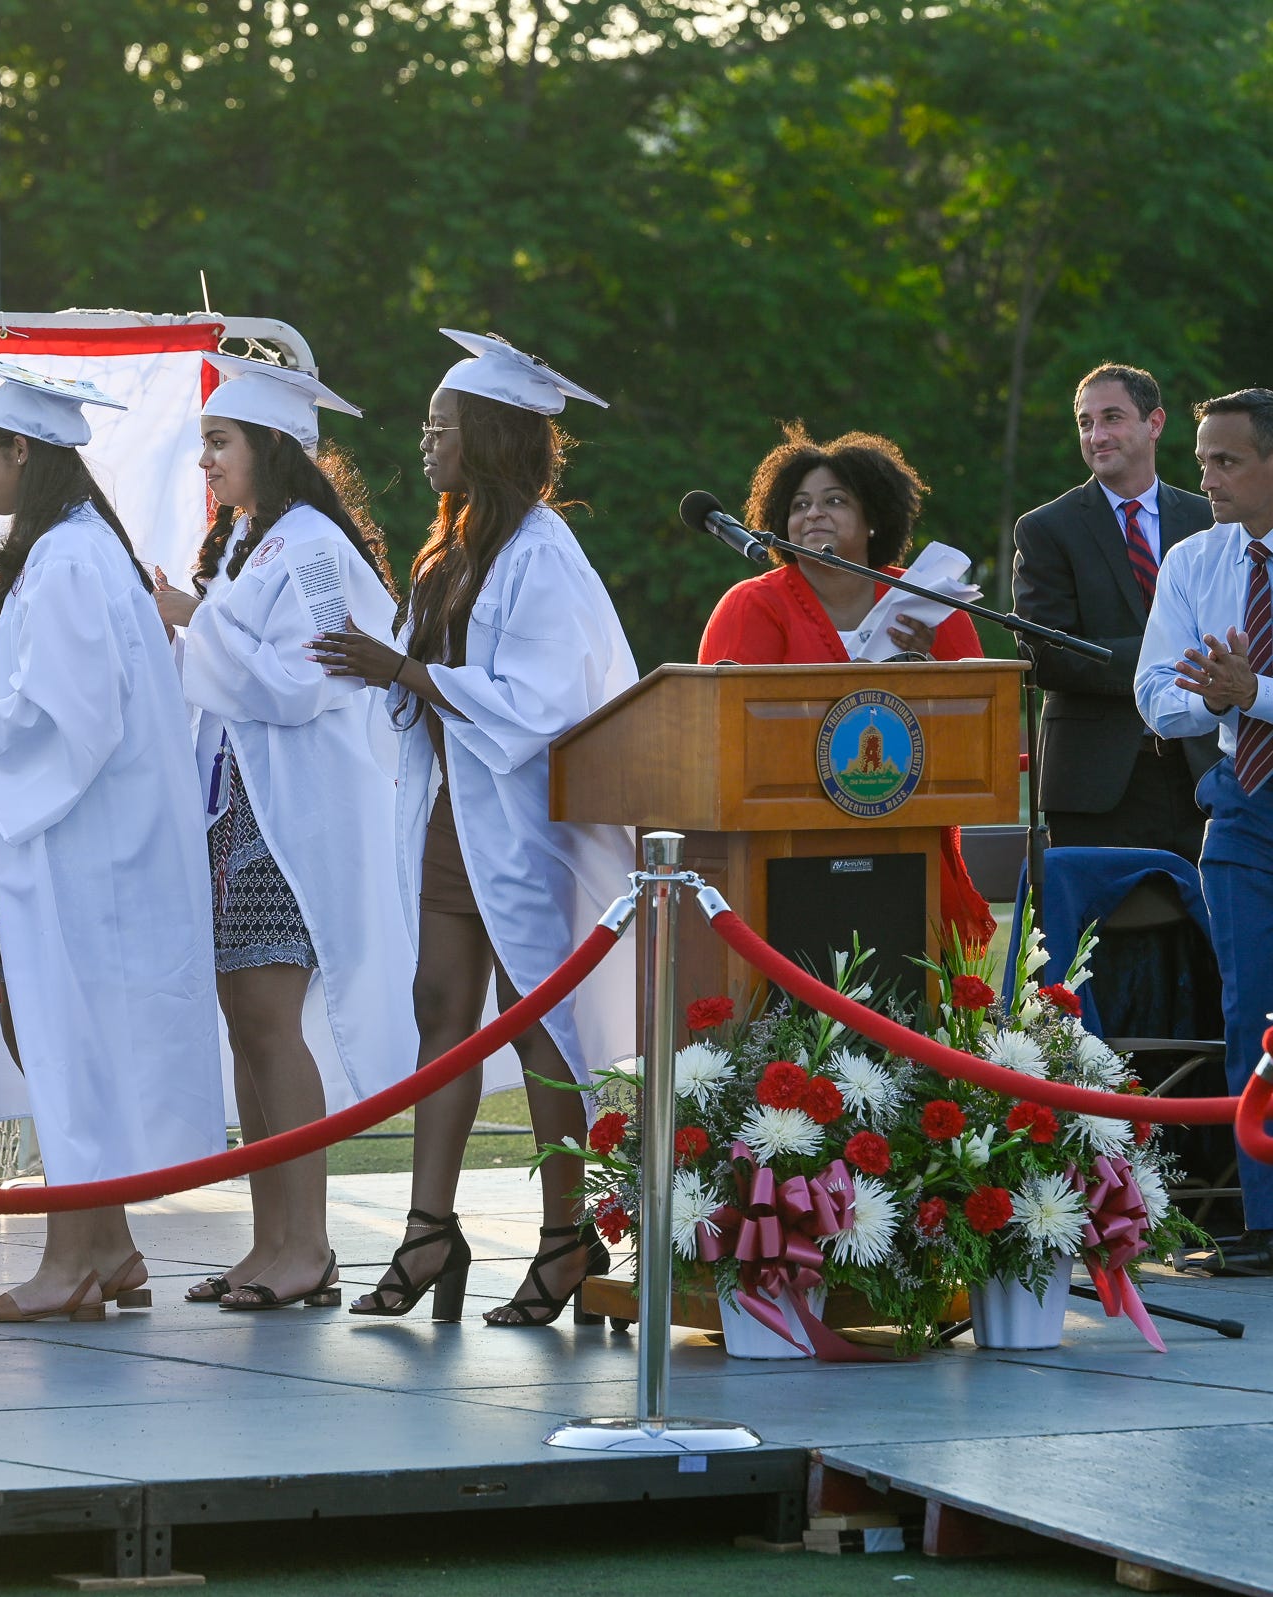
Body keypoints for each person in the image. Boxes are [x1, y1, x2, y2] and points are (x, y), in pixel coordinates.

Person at [0, 355, 223, 1323]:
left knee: (71, 1044)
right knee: (75, 1045)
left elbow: (63, 712)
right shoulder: (78, 545)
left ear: (25, 449)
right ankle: (110, 1246)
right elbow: (20, 674)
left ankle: (69, 1261)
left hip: (86, 858)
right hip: (94, 846)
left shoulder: (66, 559)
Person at [309, 330, 637, 1326]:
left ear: (488, 439)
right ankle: (428, 1227)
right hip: (458, 812)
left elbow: (542, 701)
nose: (424, 442)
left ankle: (565, 1235)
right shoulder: (451, 545)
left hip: (528, 824)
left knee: (539, 1017)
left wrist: (403, 670)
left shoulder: (545, 553)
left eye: (439, 427)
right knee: (440, 1005)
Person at [151, 355, 415, 1310]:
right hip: (236, 804)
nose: (207, 462)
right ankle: (271, 1244)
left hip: (287, 813)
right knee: (247, 1024)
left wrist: (193, 622)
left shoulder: (305, 544)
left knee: (269, 1019)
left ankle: (308, 1242)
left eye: (219, 443)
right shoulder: (246, 542)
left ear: (270, 446)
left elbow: (304, 681)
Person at [698, 425, 997, 955]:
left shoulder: (927, 601)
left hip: (905, 835)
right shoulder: (751, 605)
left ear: (874, 517)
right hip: (787, 847)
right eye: (799, 504)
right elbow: (721, 733)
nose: (813, 514)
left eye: (835, 500)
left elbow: (975, 728)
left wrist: (924, 666)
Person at [1136, 387, 1273, 1276]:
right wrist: (1217, 696)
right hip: (1242, 808)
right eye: (1202, 461)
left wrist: (1248, 692)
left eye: (1226, 460)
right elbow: (1155, 693)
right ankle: (1265, 1224)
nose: (1207, 479)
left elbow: (1232, 692)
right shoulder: (1192, 559)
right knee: (1250, 1014)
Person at [1014, 363, 1218, 859]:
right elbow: (1048, 656)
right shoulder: (1045, 530)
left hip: (1206, 772)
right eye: (1085, 423)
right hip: (1095, 784)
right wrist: (1174, 660)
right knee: (1099, 937)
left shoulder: (1211, 519)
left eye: (1111, 418)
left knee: (1216, 933)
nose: (1096, 435)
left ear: (1155, 423)